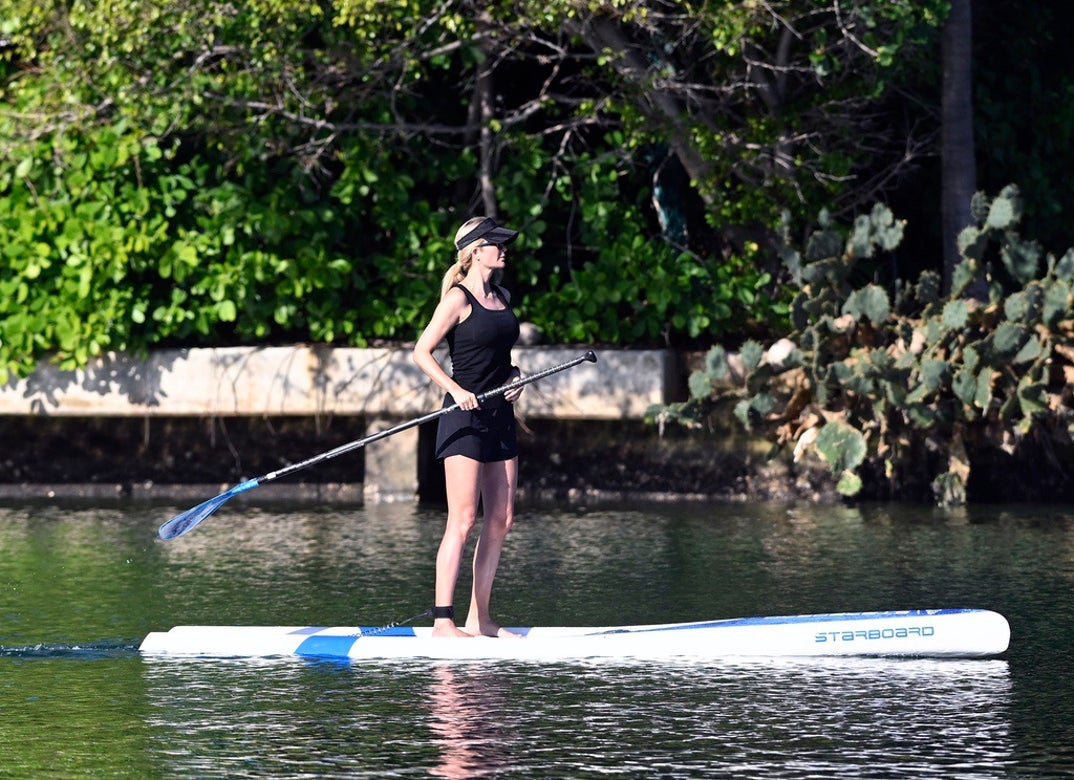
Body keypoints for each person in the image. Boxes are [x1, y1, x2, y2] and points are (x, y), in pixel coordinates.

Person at [413, 216, 525, 638]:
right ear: (475, 251)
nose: (503, 249)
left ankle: (480, 618)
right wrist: (456, 390)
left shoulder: (503, 295)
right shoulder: (458, 300)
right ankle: (444, 621)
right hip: (463, 416)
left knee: (502, 517)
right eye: (495, 244)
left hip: (500, 415)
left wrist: (515, 377)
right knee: (462, 518)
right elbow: (421, 353)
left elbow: (501, 358)